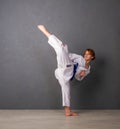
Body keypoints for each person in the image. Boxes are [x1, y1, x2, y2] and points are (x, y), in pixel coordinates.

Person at [37, 25, 95, 116]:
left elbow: (78, 78)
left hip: (67, 76)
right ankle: (45, 32)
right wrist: (65, 49)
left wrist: (81, 75)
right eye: (85, 54)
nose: (86, 55)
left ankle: (68, 111)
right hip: (65, 66)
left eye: (88, 55)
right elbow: (69, 56)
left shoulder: (88, 69)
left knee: (66, 91)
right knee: (60, 49)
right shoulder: (80, 58)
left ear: (92, 57)